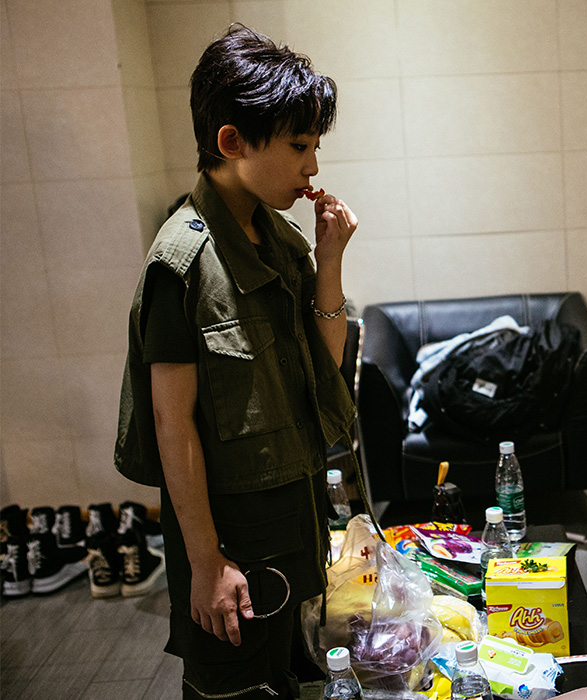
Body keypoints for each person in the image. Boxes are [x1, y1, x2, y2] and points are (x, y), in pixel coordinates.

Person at [115, 25, 358, 699]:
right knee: (233, 687)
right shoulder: (181, 264)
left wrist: (329, 262)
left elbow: (323, 369)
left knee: (297, 679)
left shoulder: (279, 238)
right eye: (299, 146)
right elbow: (172, 424)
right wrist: (205, 562)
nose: (313, 168)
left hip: (297, 519)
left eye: (315, 147)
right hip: (234, 544)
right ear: (232, 142)